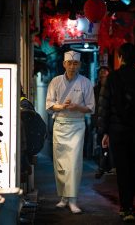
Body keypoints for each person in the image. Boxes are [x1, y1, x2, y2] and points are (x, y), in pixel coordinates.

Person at [97, 43, 135, 222]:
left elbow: (104, 106)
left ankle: (126, 207)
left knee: (122, 169)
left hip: (117, 132)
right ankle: (129, 204)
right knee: (133, 167)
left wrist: (104, 132)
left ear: (121, 58)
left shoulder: (113, 78)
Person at [46, 50, 95, 214]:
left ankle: (73, 199)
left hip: (76, 126)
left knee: (74, 163)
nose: (72, 67)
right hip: (59, 124)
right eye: (69, 63)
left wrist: (76, 107)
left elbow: (90, 108)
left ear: (79, 65)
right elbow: (49, 104)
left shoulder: (86, 83)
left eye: (75, 63)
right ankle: (64, 197)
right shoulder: (55, 81)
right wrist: (62, 106)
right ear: (64, 64)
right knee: (60, 164)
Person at [92, 66, 115, 179]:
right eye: (101, 75)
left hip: (110, 122)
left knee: (107, 146)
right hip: (100, 122)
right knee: (103, 146)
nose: (103, 77)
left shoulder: (113, 88)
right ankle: (104, 166)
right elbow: (94, 108)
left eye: (105, 75)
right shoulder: (95, 89)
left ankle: (105, 167)